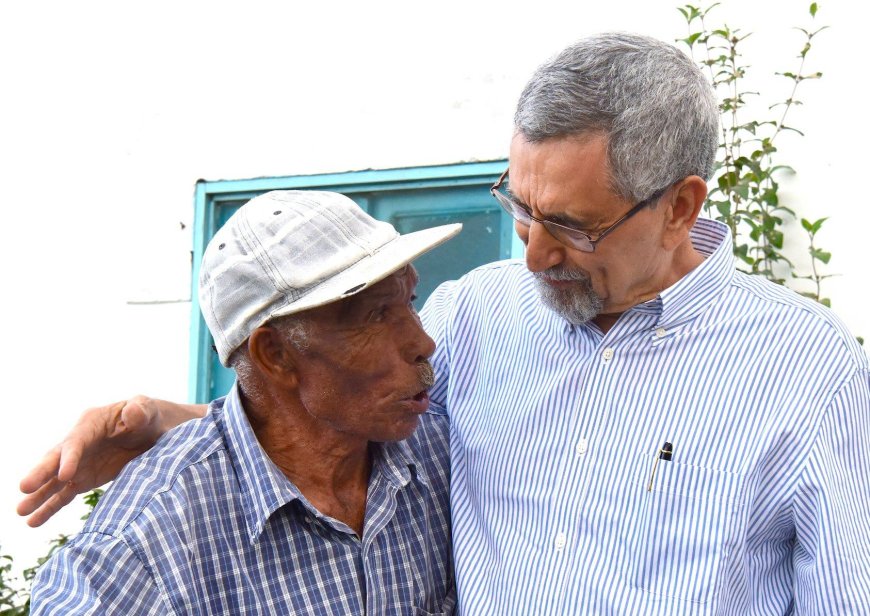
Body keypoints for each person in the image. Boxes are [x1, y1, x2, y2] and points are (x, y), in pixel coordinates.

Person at [21, 33, 870, 614]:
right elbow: (342, 410)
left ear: (681, 205)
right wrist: (176, 429)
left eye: (573, 227)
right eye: (522, 208)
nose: (533, 257)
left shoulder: (808, 371)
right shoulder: (477, 315)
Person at [28, 190, 461, 615]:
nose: (424, 342)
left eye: (410, 301)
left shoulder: (443, 449)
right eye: (376, 316)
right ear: (275, 355)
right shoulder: (155, 537)